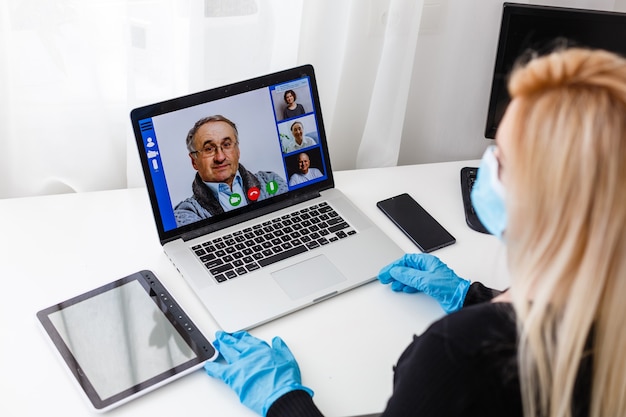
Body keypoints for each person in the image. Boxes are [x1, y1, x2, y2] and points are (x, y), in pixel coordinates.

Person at [203, 48, 626, 417]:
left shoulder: (456, 359)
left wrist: (282, 400)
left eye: (500, 157)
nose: (485, 163)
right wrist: (471, 295)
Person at [174, 115, 287, 226]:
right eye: (208, 149)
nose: (220, 157)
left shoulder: (270, 181)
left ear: (238, 151)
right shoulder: (187, 212)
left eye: (227, 145)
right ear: (194, 161)